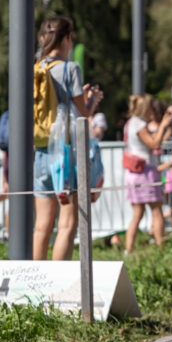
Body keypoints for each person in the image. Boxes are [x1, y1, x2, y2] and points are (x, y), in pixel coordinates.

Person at [31, 17, 104, 260]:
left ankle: (35, 285)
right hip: (66, 152)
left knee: (42, 225)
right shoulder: (70, 68)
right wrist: (91, 100)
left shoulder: (36, 68)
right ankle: (56, 284)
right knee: (67, 223)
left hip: (41, 150)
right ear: (68, 39)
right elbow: (83, 114)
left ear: (43, 38)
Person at [123, 95, 172, 254]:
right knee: (156, 211)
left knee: (137, 214)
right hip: (145, 172)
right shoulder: (139, 124)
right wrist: (164, 125)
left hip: (134, 173)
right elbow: (155, 143)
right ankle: (161, 250)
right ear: (146, 109)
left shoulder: (130, 123)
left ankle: (128, 250)